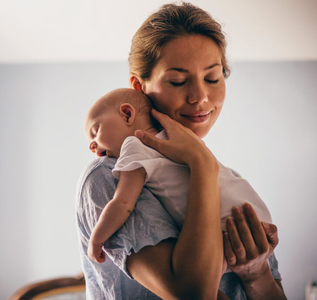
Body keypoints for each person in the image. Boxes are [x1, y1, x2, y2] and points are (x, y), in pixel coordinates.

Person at [76, 2, 286, 299]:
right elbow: (194, 294)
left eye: (212, 78)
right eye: (178, 81)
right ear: (139, 87)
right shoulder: (109, 174)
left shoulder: (229, 183)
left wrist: (256, 274)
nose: (200, 97)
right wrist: (201, 164)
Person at [84, 88, 272, 270]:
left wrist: (97, 239)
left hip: (227, 220)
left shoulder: (135, 145)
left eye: (95, 131)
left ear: (127, 114)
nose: (92, 146)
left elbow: (123, 203)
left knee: (202, 283)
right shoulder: (182, 139)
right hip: (253, 212)